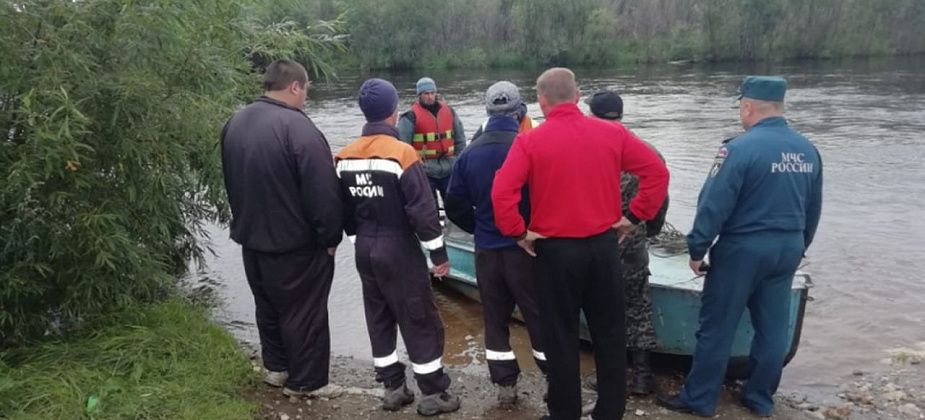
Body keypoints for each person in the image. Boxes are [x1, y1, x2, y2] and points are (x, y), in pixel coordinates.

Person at [492, 68, 670, 420]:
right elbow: (657, 173)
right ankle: (609, 411)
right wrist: (634, 217)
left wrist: (518, 232)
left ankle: (565, 413)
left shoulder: (529, 141)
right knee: (610, 333)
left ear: (541, 102)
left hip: (556, 252)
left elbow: (502, 192)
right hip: (604, 248)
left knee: (560, 336)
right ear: (577, 96)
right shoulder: (612, 133)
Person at [657, 76, 823, 418]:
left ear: (748, 107)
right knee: (773, 327)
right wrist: (799, 245)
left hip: (743, 250)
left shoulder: (738, 149)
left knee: (717, 326)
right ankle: (760, 398)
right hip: (788, 247)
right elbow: (813, 207)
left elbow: (713, 204)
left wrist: (697, 249)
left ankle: (699, 399)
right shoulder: (808, 149)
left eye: (740, 106)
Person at [335, 78, 460, 416]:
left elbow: (342, 210)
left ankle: (393, 388)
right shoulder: (402, 153)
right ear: (392, 112)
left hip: (365, 249)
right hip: (399, 248)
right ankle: (433, 393)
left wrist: (358, 240)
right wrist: (439, 256)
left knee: (378, 317)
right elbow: (423, 211)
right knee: (419, 317)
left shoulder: (344, 156)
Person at [220, 59, 344, 396]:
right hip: (295, 245)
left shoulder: (236, 122)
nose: (306, 97)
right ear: (295, 87)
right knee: (305, 313)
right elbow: (323, 192)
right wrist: (331, 237)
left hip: (252, 239)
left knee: (268, 308)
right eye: (306, 90)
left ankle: (276, 368)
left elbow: (231, 180)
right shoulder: (299, 129)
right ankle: (307, 382)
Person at [444, 81, 547, 407]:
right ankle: (555, 381)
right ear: (520, 114)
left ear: (487, 113)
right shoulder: (529, 147)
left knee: (495, 318)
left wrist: (480, 228)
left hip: (487, 250)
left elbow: (454, 203)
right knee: (538, 316)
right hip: (526, 249)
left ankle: (505, 386)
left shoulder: (468, 155)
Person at [585, 90, 670, 396]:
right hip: (634, 243)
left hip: (599, 244)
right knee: (638, 307)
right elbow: (661, 198)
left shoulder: (590, 151)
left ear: (594, 115)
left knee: (605, 312)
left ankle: (612, 376)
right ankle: (644, 376)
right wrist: (648, 230)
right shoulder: (645, 150)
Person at [398, 77, 466, 207]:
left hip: (449, 168)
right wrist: (417, 166)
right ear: (419, 95)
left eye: (432, 93)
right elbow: (403, 147)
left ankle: (453, 226)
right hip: (425, 171)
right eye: (426, 94)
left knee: (457, 206)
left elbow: (460, 140)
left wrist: (458, 160)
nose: (430, 97)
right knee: (429, 208)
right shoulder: (410, 117)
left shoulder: (450, 112)